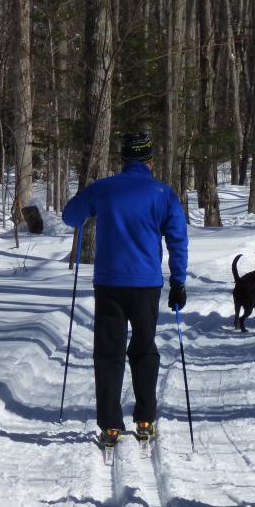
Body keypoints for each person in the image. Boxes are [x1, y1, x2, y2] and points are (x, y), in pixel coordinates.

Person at [62, 132, 188, 449]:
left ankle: (110, 426)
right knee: (144, 349)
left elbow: (70, 216)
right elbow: (177, 240)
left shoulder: (104, 188)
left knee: (108, 353)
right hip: (146, 285)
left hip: (109, 284)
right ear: (150, 160)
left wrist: (92, 202)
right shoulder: (163, 193)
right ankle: (145, 419)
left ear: (123, 159)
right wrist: (178, 281)